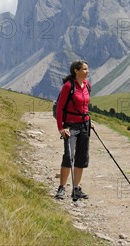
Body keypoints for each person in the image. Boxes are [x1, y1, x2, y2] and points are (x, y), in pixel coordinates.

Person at [55, 60, 93, 200]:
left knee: (82, 158)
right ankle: (61, 188)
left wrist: (89, 121)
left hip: (84, 125)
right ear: (76, 70)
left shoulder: (87, 85)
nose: (87, 71)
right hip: (70, 126)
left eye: (87, 69)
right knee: (68, 157)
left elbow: (85, 106)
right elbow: (59, 108)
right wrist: (61, 127)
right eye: (84, 69)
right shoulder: (68, 86)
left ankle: (76, 189)